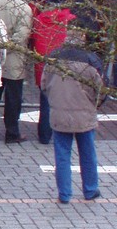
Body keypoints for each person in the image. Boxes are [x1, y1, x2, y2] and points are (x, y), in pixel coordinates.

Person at [43, 28, 104, 203]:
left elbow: (44, 85)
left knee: (62, 155)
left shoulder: (53, 58)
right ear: (83, 38)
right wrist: (93, 104)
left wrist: (55, 102)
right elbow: (100, 90)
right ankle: (90, 189)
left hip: (59, 114)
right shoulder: (90, 60)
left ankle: (64, 194)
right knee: (88, 154)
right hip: (84, 114)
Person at [0, 0, 33, 144]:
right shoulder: (24, 8)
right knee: (13, 99)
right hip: (15, 59)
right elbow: (22, 35)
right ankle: (12, 132)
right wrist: (8, 45)